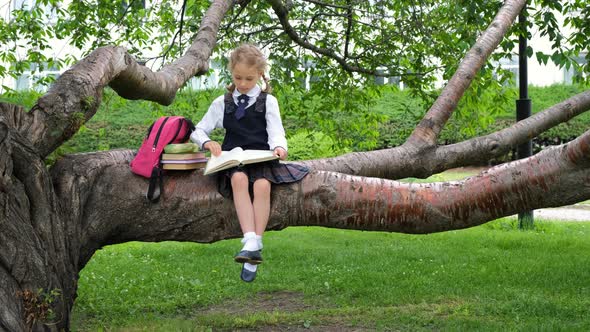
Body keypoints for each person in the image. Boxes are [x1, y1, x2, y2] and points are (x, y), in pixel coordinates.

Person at [191, 43, 309, 282]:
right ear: (231, 72)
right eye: (238, 78)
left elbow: (276, 131)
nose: (243, 84)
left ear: (260, 75)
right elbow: (198, 130)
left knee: (263, 186)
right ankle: (250, 240)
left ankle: (255, 245)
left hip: (261, 157)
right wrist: (206, 143)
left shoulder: (269, 101)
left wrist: (280, 147)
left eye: (249, 79)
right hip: (233, 159)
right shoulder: (221, 102)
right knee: (238, 179)